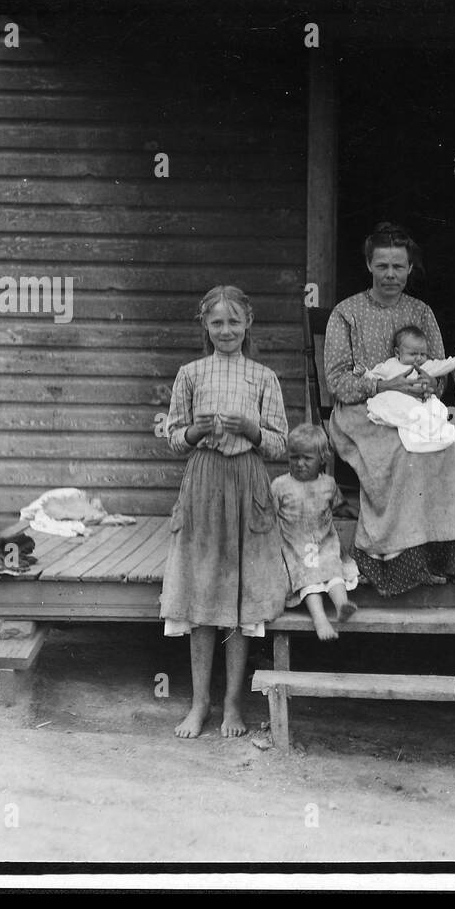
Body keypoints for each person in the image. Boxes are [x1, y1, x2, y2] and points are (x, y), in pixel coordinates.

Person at [159, 286, 290, 739]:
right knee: (202, 595)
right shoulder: (190, 374)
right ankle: (199, 704)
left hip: (248, 482)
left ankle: (233, 704)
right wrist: (196, 430)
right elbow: (174, 437)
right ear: (205, 326)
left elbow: (279, 443)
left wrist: (252, 429)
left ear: (248, 323)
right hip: (204, 483)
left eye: (234, 322)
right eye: (217, 323)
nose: (226, 330)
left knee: (238, 599)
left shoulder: (263, 377)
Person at [323, 222, 455, 595]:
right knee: (402, 451)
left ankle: (444, 557)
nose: (390, 274)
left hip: (415, 408)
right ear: (369, 266)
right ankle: (395, 560)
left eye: (398, 266)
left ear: (410, 268)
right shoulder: (347, 313)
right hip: (361, 412)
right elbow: (338, 381)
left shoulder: (422, 312)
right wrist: (383, 385)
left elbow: (438, 370)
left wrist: (429, 384)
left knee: (451, 448)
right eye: (382, 266)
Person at [270, 424, 360, 640]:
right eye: (294, 457)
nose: (300, 463)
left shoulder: (328, 484)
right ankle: (320, 620)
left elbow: (338, 505)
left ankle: (342, 605)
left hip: (324, 541)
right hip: (295, 545)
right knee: (308, 579)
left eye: (306, 458)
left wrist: (354, 512)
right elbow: (269, 516)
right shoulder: (281, 485)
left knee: (334, 570)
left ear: (322, 459)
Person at [360, 325, 455, 453]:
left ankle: (427, 433)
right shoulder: (390, 365)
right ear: (397, 353)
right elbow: (375, 375)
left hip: (417, 402)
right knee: (388, 407)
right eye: (413, 354)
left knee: (434, 410)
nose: (418, 358)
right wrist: (364, 372)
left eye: (423, 354)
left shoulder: (425, 366)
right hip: (396, 400)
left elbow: (443, 366)